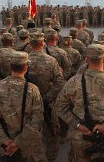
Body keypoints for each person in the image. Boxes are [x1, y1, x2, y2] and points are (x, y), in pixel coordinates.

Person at [55, 44, 104, 162]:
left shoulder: (74, 81)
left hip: (80, 136)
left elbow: (59, 107)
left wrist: (77, 124)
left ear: (86, 59)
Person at [0, 51, 47, 162]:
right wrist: (18, 142)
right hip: (29, 144)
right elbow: (37, 119)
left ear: (10, 66)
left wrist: (5, 140)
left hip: (6, 146)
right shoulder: (32, 89)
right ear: (26, 67)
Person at [27, 33, 65, 161]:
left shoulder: (23, 61)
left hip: (27, 105)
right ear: (43, 44)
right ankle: (50, 159)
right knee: (52, 135)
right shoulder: (51, 61)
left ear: (30, 44)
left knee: (29, 135)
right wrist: (46, 97)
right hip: (47, 103)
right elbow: (60, 82)